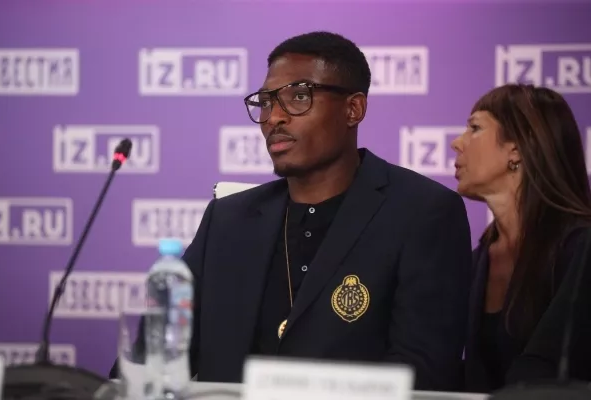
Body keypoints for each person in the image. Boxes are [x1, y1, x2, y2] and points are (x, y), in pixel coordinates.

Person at [110, 31, 472, 391]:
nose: (273, 118)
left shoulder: (422, 212)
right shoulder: (228, 220)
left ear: (353, 109)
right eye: (266, 102)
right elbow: (154, 356)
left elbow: (423, 374)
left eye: (299, 96)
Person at [451, 83, 591, 393]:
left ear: (517, 148)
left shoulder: (581, 250)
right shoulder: (478, 261)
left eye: (475, 128)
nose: (456, 143)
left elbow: (547, 371)